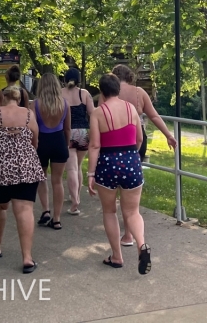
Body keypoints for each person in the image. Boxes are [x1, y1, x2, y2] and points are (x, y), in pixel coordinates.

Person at [0, 85, 45, 273]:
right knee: (24, 210)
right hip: (26, 168)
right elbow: (35, 141)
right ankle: (27, 258)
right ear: (19, 98)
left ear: (3, 98)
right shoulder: (29, 114)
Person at [88, 73, 151, 274]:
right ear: (118, 89)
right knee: (133, 211)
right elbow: (139, 138)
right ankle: (141, 245)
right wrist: (132, 156)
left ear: (102, 91)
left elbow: (95, 145)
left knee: (109, 211)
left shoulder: (98, 113)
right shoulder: (131, 108)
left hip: (107, 163)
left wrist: (90, 173)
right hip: (131, 160)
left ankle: (116, 256)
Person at [113, 64, 176, 246]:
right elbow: (154, 116)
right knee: (131, 189)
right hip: (137, 139)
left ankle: (126, 234)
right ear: (130, 76)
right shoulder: (139, 93)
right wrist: (169, 135)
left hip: (116, 141)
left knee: (118, 188)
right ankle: (129, 234)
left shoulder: (110, 92)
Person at [34, 72, 70, 229]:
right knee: (58, 181)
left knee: (41, 179)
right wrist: (66, 145)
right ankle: (57, 218)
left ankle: (46, 211)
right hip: (59, 141)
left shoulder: (35, 104)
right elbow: (68, 129)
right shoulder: (64, 104)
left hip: (42, 142)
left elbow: (33, 129)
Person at [62, 67, 94, 215]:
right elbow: (92, 113)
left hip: (68, 132)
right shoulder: (84, 93)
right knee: (79, 166)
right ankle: (76, 196)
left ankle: (74, 201)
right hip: (83, 132)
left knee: (71, 169)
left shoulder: (61, 93)